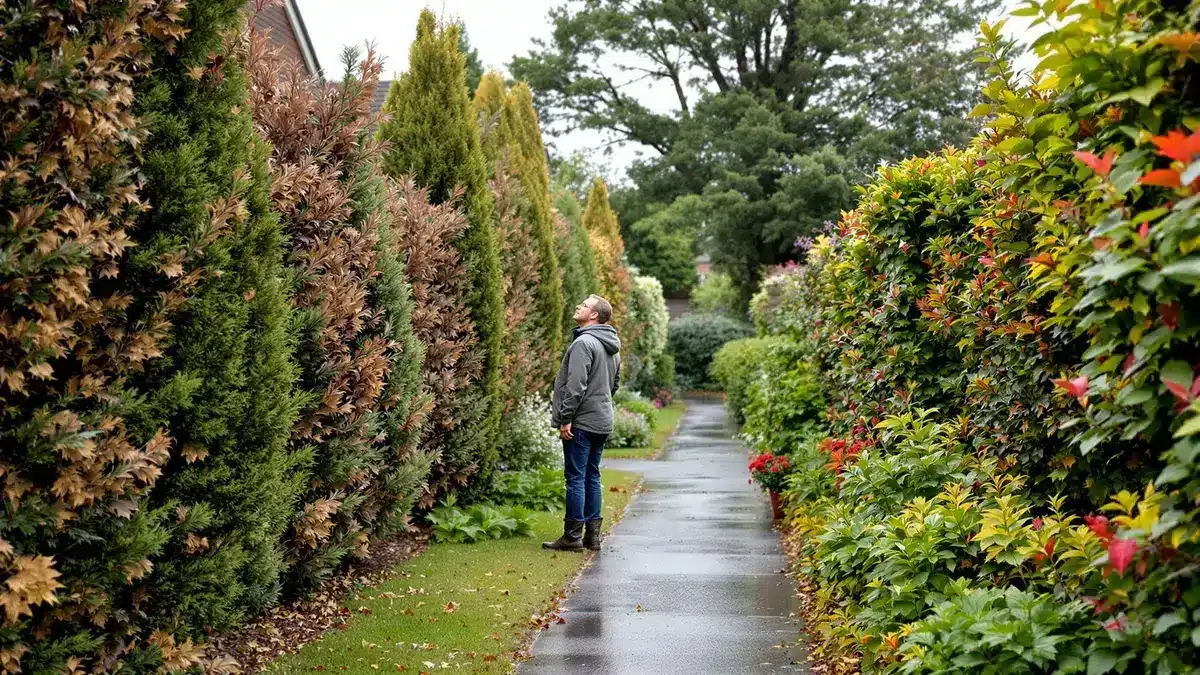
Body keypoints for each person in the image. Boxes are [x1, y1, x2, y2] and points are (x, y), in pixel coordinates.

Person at [544, 294, 621, 552]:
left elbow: (575, 387)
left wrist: (566, 418)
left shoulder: (584, 343)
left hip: (582, 422)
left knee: (576, 477)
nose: (579, 306)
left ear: (594, 316)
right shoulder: (611, 346)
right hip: (602, 420)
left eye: (585, 305)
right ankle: (593, 537)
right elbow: (614, 385)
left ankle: (572, 536)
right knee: (592, 475)